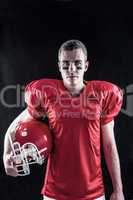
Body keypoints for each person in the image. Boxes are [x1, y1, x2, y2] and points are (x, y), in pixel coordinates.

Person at [3, 39, 125, 200]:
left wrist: (118, 189)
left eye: (77, 63)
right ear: (59, 66)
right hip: (55, 191)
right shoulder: (46, 92)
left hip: (93, 190)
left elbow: (109, 146)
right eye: (66, 64)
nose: (72, 69)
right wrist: (6, 155)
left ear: (86, 65)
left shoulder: (102, 94)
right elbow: (16, 125)